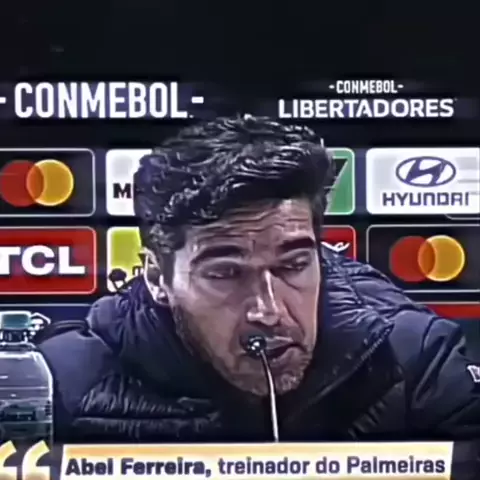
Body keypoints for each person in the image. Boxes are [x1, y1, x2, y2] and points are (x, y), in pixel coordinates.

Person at [39, 115, 480, 443]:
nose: (268, 311)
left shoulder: (413, 357)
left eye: (294, 265)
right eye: (226, 273)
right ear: (157, 277)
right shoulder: (65, 386)